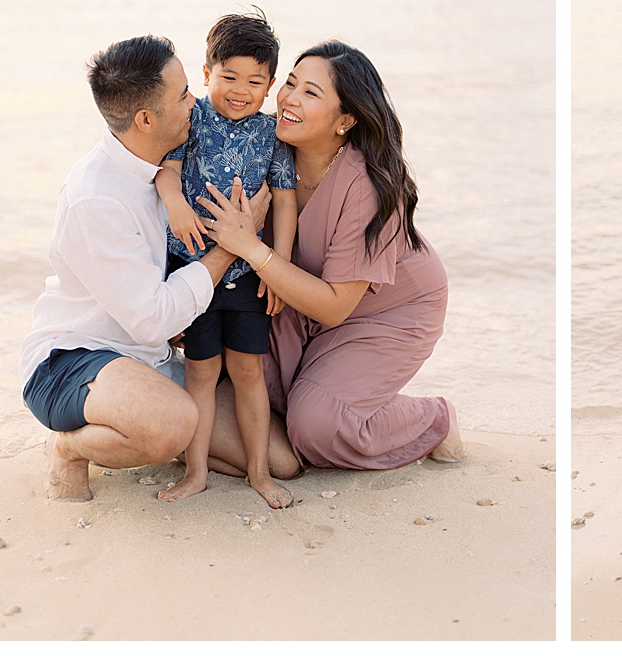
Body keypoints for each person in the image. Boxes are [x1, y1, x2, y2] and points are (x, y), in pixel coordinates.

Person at [192, 41, 463, 476]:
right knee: (225, 367)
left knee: (316, 425)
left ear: (345, 121)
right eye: (291, 84)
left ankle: (431, 418)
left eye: (311, 93)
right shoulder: (264, 151)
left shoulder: (367, 185)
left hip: (386, 311)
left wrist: (250, 247)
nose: (290, 99)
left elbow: (336, 306)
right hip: (295, 301)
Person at [19, 35, 270, 502]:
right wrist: (235, 245)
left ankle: (142, 431)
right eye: (182, 96)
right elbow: (153, 316)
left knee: (280, 458)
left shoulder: (174, 160)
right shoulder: (95, 198)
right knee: (169, 426)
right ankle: (69, 447)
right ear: (146, 119)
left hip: (151, 360)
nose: (194, 101)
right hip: (73, 360)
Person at [154, 11, 298, 509]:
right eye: (229, 77)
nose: (241, 90)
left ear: (270, 85)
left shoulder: (273, 133)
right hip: (193, 273)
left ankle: (259, 473)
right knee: (199, 371)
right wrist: (173, 203)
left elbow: (284, 200)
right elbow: (167, 172)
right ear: (206, 72)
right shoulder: (192, 119)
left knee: (249, 372)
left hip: (247, 278)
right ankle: (196, 473)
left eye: (255, 81)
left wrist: (277, 266)